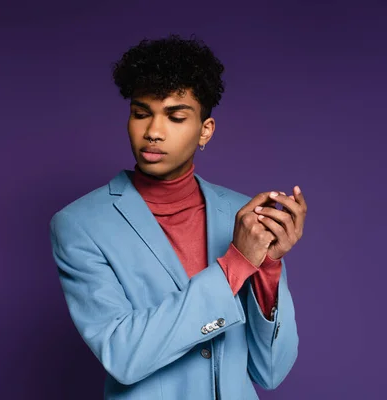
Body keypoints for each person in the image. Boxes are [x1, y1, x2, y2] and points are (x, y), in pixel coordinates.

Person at [49, 34, 306, 400]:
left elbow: (271, 372)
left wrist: (268, 268)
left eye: (175, 116)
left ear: (205, 130)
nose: (153, 132)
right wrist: (236, 263)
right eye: (141, 114)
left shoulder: (244, 215)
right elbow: (123, 354)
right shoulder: (79, 225)